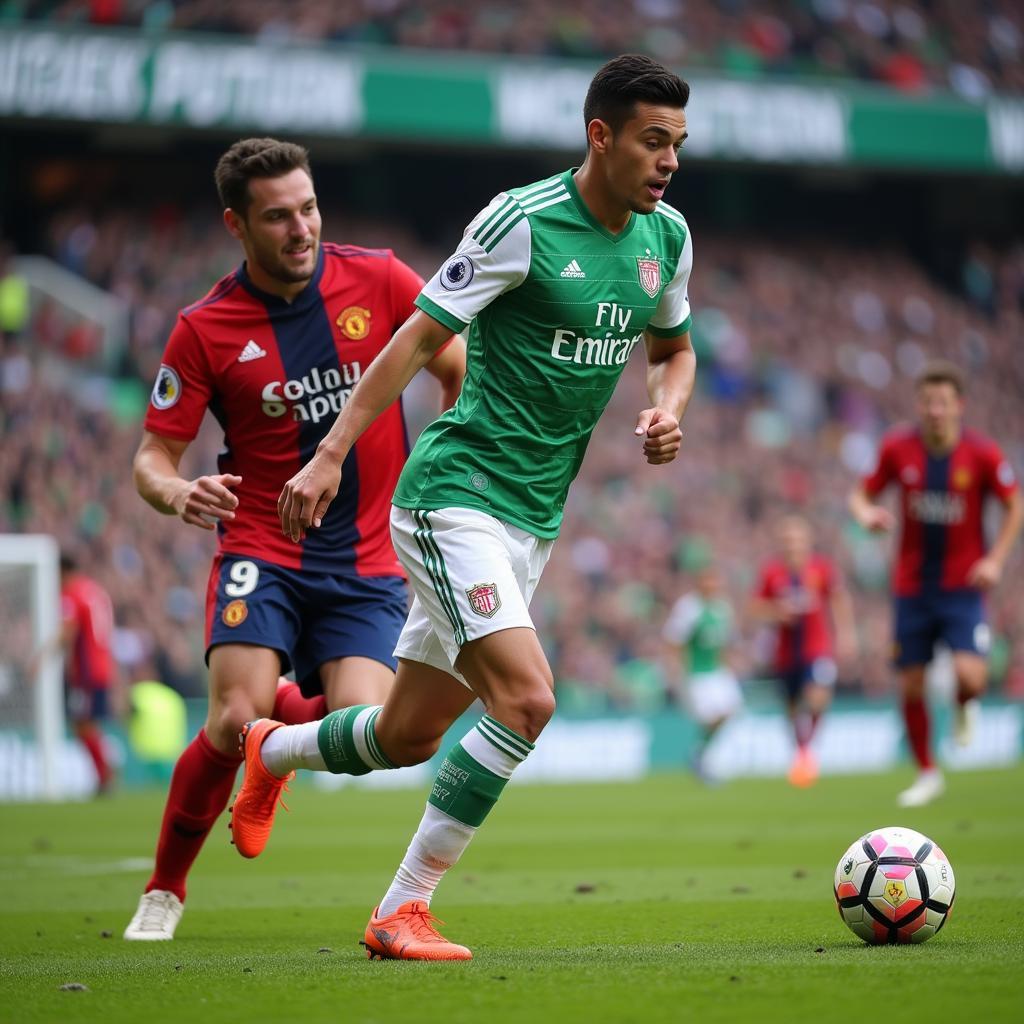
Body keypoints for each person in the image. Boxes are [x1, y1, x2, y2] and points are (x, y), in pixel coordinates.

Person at [230, 53, 696, 962]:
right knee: (526, 702)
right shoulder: (523, 222)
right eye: (653, 141)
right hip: (456, 498)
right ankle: (402, 908)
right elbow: (417, 339)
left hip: (532, 521)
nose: (670, 160)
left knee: (406, 736)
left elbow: (674, 349)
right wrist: (329, 454)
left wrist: (667, 409)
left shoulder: (667, 238)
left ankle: (268, 751)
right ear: (600, 136)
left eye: (678, 142)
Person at [123, 137, 465, 941]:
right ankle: (165, 890)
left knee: (373, 734)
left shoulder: (378, 277)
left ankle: (275, 747)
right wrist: (177, 492)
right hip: (261, 549)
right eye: (278, 217)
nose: (301, 229)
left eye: (308, 208)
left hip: (370, 558)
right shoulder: (205, 327)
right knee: (227, 719)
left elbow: (455, 362)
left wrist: (446, 452)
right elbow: (151, 455)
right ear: (236, 225)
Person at [849, 360, 1022, 807]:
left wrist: (995, 559)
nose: (935, 410)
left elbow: (1014, 506)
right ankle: (927, 770)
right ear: (919, 405)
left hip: (964, 587)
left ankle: (966, 705)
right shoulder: (897, 448)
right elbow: (861, 492)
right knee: (911, 684)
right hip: (912, 587)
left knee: (971, 678)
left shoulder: (982, 454)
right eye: (928, 402)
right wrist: (866, 513)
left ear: (959, 405)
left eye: (943, 402)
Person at [749, 515, 856, 788]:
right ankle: (802, 753)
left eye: (796, 539)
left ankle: (806, 750)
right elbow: (754, 608)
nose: (792, 545)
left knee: (818, 696)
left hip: (817, 647)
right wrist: (777, 612)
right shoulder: (771, 572)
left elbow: (838, 599)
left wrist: (845, 634)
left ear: (807, 541)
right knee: (792, 707)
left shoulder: (822, 568)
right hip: (785, 653)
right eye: (787, 540)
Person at [662, 563, 742, 782]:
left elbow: (723, 641)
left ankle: (701, 753)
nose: (712, 585)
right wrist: (678, 668)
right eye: (707, 580)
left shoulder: (722, 608)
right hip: (697, 673)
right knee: (712, 716)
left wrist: (728, 663)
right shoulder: (689, 608)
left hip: (718, 671)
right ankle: (704, 757)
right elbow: (674, 639)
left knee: (731, 712)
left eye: (715, 580)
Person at [58, 552, 117, 795]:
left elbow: (68, 630)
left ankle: (104, 775)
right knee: (86, 723)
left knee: (84, 724)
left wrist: (42, 658)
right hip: (102, 665)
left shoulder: (71, 592)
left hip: (85, 669)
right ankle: (104, 772)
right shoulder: (95, 591)